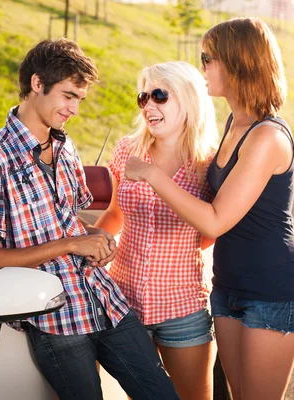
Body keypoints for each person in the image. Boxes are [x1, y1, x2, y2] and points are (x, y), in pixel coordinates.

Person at [0, 38, 179, 400]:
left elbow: (69, 222)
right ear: (37, 84)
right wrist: (72, 243)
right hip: (57, 322)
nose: (74, 109)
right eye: (68, 96)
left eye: (79, 99)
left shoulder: (65, 147)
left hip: (106, 301)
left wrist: (97, 239)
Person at [124, 17, 294, 400]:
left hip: (272, 290)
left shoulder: (267, 134)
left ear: (237, 62)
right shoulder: (235, 122)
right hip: (227, 287)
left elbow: (216, 219)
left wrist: (151, 175)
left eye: (207, 58)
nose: (202, 68)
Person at [95, 61, 220, 400]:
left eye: (160, 95)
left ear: (189, 99)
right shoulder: (127, 150)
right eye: (144, 96)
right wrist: (88, 247)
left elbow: (211, 230)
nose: (149, 105)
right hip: (124, 303)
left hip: (183, 307)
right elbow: (115, 214)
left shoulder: (210, 163)